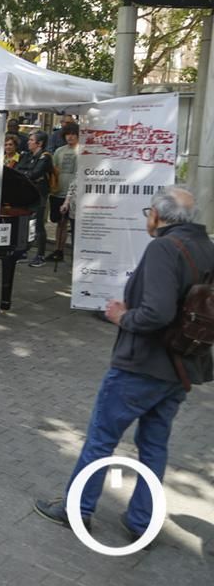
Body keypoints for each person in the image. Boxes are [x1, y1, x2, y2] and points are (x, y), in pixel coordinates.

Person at [34, 186, 213, 540]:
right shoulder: (206, 247)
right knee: (154, 445)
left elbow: (156, 313)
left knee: (101, 438)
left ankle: (78, 509)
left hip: (143, 365)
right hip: (181, 367)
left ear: (158, 216)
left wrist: (122, 317)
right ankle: (142, 521)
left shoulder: (164, 247)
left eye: (149, 211)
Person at [16, 131, 52, 267]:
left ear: (39, 143)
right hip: (28, 193)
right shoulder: (27, 155)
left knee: (38, 225)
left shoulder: (45, 157)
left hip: (40, 195)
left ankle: (40, 255)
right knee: (26, 223)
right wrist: (27, 173)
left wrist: (26, 173)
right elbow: (19, 170)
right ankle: (24, 250)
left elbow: (35, 173)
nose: (28, 142)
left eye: (31, 140)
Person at [49, 122, 80, 262]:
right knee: (60, 223)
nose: (70, 137)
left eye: (73, 134)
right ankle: (58, 250)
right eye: (68, 134)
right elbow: (54, 171)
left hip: (75, 194)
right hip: (59, 191)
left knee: (72, 224)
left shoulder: (83, 151)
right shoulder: (59, 151)